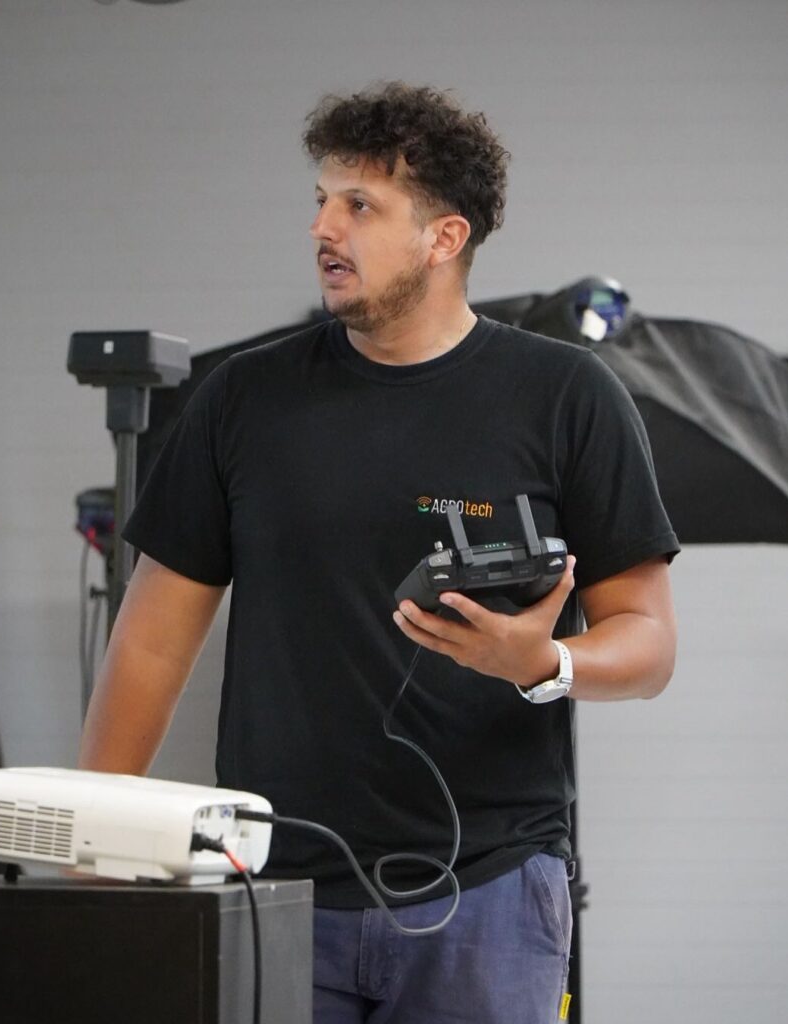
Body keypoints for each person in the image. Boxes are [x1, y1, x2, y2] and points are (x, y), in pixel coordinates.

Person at [79, 82, 679, 1024]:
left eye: (359, 205)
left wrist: (543, 663)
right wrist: (92, 842)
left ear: (444, 237)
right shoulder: (242, 399)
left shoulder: (567, 396)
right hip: (274, 886)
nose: (323, 227)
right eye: (321, 200)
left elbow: (647, 643)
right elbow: (153, 640)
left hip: (486, 892)